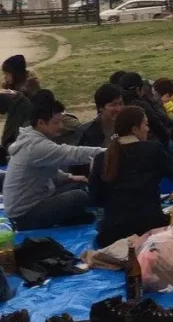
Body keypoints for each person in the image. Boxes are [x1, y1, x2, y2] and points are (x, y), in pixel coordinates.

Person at [89, 106, 173, 247]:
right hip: (149, 231)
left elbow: (95, 199)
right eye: (146, 124)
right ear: (134, 129)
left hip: (112, 236)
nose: (148, 129)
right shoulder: (152, 150)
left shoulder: (102, 158)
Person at [2, 90, 104, 230]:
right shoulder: (37, 146)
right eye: (56, 122)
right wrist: (109, 151)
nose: (61, 127)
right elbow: (74, 153)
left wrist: (69, 177)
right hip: (24, 216)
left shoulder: (32, 137)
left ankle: (72, 216)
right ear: (41, 123)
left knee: (78, 187)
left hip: (35, 201)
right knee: (80, 196)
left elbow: (50, 170)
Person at [0, 54, 40, 165]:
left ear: (15, 73)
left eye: (7, 74)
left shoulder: (30, 89)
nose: (5, 78)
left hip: (25, 130)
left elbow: (26, 107)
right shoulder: (11, 85)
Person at [119, 72, 173, 145]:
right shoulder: (141, 105)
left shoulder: (118, 103)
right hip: (150, 142)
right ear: (138, 89)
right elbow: (157, 125)